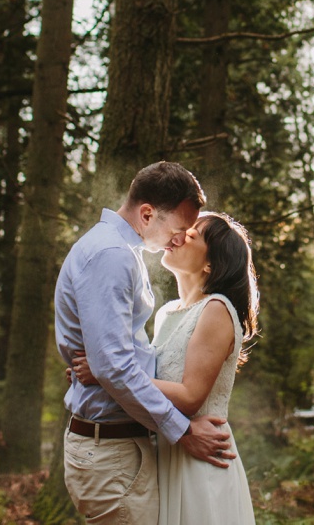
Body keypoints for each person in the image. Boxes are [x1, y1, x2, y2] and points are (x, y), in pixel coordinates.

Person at [54, 161, 234, 524]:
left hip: (122, 448)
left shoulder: (120, 252)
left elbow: (113, 362)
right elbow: (114, 366)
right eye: (180, 228)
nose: (180, 238)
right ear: (148, 213)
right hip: (111, 452)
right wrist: (182, 431)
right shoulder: (112, 256)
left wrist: (105, 370)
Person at [73, 212, 260, 525]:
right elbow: (145, 383)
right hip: (169, 450)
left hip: (200, 462)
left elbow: (189, 396)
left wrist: (107, 373)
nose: (181, 234)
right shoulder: (166, 312)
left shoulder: (216, 309)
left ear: (210, 264)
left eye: (194, 233)